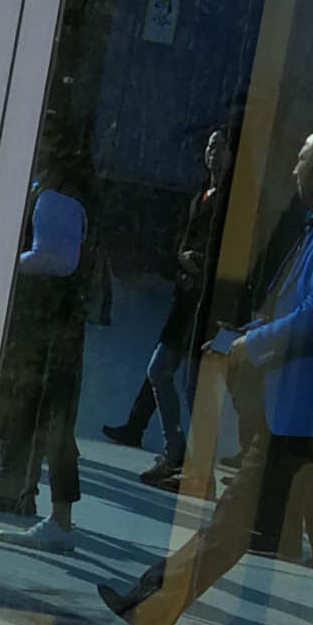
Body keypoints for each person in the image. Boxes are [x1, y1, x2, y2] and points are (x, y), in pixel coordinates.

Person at [106, 127, 313, 625]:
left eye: (302, 160)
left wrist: (254, 344)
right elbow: (303, 307)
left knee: (238, 524)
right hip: (309, 417)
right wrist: (250, 332)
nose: (294, 170)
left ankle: (150, 609)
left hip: (311, 419)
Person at [0, 153, 99, 545]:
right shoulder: (61, 193)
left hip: (48, 322)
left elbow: (54, 259)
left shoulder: (54, 197)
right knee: (41, 413)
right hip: (55, 321)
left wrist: (2, 266)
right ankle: (28, 496)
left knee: (49, 416)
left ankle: (53, 514)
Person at [108, 125, 231, 489]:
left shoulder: (230, 203)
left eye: (220, 147)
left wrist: (202, 264)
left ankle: (196, 464)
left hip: (206, 302)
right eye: (209, 146)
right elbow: (181, 242)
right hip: (186, 299)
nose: (212, 153)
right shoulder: (200, 197)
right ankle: (175, 448)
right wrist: (183, 259)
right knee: (160, 369)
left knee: (194, 382)